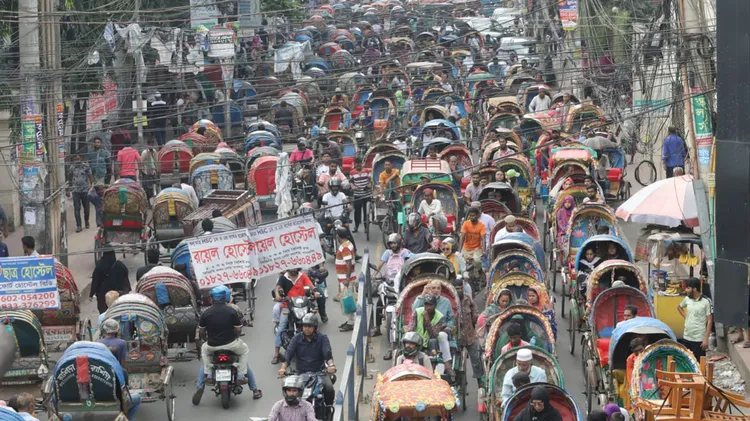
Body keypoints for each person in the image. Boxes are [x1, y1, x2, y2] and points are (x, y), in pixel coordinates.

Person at [196, 285, 250, 400]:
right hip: (231, 344)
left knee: (204, 351)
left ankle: (209, 374)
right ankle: (240, 375)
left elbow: (201, 331)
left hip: (212, 346)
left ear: (212, 299)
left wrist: (206, 340)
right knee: (244, 350)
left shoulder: (206, 313)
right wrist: (236, 336)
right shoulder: (231, 310)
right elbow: (238, 329)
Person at [278, 314, 336, 409]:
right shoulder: (296, 338)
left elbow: (327, 353)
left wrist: (331, 365)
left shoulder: (322, 338)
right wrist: (283, 368)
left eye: (309, 326)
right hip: (300, 373)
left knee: (329, 389)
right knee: (289, 393)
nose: (307, 329)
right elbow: (288, 354)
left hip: (319, 372)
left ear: (315, 327)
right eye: (305, 326)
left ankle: (329, 410)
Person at [272, 268, 319, 364]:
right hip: (287, 306)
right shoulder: (283, 278)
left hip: (302, 305)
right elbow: (278, 288)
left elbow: (311, 285)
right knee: (281, 328)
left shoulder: (302, 276)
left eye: (295, 266)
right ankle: (276, 354)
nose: (293, 269)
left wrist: (315, 292)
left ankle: (317, 347)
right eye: (291, 267)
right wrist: (278, 295)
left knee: (312, 323)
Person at [455, 277, 483, 385]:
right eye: (457, 288)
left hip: (470, 334)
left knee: (476, 359)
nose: (459, 291)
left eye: (460, 288)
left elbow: (475, 311)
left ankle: (479, 382)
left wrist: (475, 317)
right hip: (457, 336)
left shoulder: (468, 299)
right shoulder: (452, 300)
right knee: (455, 361)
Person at [677, 277, 713, 359]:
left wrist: (706, 339)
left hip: (698, 339)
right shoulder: (687, 299)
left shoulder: (706, 301)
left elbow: (710, 321)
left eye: (688, 288)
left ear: (694, 289)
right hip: (686, 337)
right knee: (686, 362)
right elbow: (679, 307)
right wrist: (686, 317)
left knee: (699, 364)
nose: (686, 290)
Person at [90, 247, 130, 313]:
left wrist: (91, 294)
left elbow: (95, 281)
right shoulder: (120, 265)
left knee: (104, 314)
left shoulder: (99, 266)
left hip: (103, 297)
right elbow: (126, 275)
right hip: (118, 295)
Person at [335, 227, 357, 332]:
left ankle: (351, 322)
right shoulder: (348, 244)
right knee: (346, 300)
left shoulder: (345, 247)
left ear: (338, 236)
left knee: (347, 301)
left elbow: (348, 263)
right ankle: (350, 320)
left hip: (346, 279)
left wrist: (347, 279)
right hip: (344, 278)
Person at [67, 154, 93, 232]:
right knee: (77, 208)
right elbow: (69, 178)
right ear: (73, 160)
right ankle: (78, 225)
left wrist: (92, 186)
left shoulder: (86, 166)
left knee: (87, 209)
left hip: (85, 190)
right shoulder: (72, 168)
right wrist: (68, 189)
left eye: (78, 159)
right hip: (75, 191)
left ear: (81, 159)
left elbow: (90, 176)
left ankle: (86, 221)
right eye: (75, 159)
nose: (77, 161)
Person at [460, 207, 487, 278]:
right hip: (466, 247)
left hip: (476, 248)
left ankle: (480, 270)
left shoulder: (481, 225)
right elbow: (462, 236)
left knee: (477, 261)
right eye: (470, 216)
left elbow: (483, 239)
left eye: (473, 215)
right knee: (461, 262)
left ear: (477, 215)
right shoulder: (466, 224)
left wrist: (484, 250)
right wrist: (459, 250)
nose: (471, 217)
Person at [349, 158, 370, 233]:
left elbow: (370, 181)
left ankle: (366, 227)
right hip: (357, 195)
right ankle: (356, 226)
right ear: (355, 164)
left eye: (359, 163)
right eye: (356, 163)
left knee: (366, 212)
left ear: (362, 164)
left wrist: (368, 185)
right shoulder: (352, 173)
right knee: (357, 212)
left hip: (366, 194)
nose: (358, 165)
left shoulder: (367, 171)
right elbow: (351, 183)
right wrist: (353, 187)